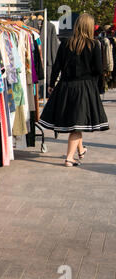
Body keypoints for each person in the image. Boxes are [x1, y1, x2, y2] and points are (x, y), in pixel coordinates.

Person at [38, 13, 109, 167]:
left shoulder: (65, 43)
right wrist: (98, 87)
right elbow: (98, 69)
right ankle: (69, 158)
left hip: (65, 86)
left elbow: (57, 65)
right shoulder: (93, 44)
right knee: (77, 124)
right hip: (84, 87)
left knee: (77, 121)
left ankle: (81, 150)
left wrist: (51, 84)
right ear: (90, 27)